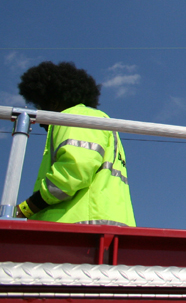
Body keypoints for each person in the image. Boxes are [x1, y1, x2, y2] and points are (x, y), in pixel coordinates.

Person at [15, 61, 136, 227]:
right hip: (103, 231)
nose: (39, 120)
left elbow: (73, 171)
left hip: (78, 234)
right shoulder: (96, 120)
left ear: (54, 102)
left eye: (41, 106)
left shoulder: (74, 116)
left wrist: (25, 209)